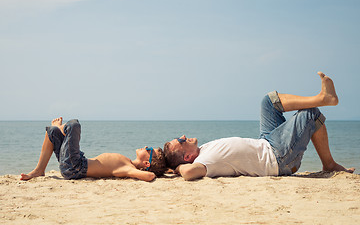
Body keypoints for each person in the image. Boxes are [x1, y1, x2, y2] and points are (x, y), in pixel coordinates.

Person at [163, 72, 355, 181]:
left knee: (268, 101)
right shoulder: (204, 162)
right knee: (309, 114)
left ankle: (322, 98)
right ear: (187, 157)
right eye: (180, 141)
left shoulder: (203, 150)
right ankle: (329, 164)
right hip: (279, 158)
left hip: (268, 143)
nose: (183, 136)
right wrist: (178, 167)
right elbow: (188, 173)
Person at [21, 117, 166, 182]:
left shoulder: (128, 168)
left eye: (149, 150)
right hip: (76, 163)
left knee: (73, 125)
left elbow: (148, 176)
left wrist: (153, 173)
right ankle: (39, 170)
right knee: (51, 131)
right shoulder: (127, 162)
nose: (146, 147)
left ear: (147, 163)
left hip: (76, 167)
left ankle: (62, 127)